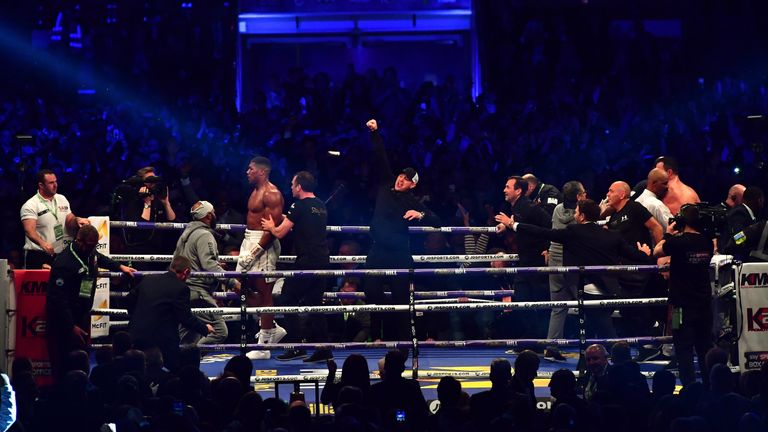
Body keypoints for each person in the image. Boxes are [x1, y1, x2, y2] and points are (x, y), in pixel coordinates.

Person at [509, 199, 652, 338]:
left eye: (576, 212)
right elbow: (631, 253)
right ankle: (607, 355)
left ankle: (620, 357)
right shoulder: (611, 234)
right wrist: (643, 254)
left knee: (605, 331)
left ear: (582, 216)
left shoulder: (574, 232)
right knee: (601, 328)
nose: (574, 215)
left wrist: (514, 225)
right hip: (611, 288)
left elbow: (543, 232)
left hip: (588, 288)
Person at [364, 119, 440, 342]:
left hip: (399, 254)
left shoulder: (412, 201)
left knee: (401, 299)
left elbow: (437, 220)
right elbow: (381, 157)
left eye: (407, 179)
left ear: (412, 185)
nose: (401, 180)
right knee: (372, 293)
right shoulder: (386, 185)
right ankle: (377, 336)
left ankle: (403, 339)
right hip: (378, 251)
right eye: (401, 175)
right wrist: (376, 133)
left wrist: (421, 215)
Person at [46, 225, 135, 381]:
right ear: (79, 240)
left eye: (94, 245)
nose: (92, 248)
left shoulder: (89, 252)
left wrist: (120, 266)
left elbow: (100, 258)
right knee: (64, 363)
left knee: (81, 359)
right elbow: (58, 299)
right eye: (90, 245)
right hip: (65, 321)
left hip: (82, 315)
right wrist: (70, 326)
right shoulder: (63, 263)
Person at [261, 170, 332, 362]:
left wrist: (270, 227)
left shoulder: (298, 205)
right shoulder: (320, 205)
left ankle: (296, 346)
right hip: (323, 260)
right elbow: (303, 221)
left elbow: (281, 232)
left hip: (307, 261)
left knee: (286, 299)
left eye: (293, 184)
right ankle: (324, 349)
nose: (291, 187)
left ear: (299, 186)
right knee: (315, 305)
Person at [653, 205, 715, 386]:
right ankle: (708, 387)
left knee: (683, 348)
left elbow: (657, 251)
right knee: (705, 348)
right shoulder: (706, 242)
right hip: (703, 305)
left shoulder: (677, 241)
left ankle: (689, 389)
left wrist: (667, 233)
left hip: (680, 307)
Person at [125, 255, 214, 372]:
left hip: (135, 334)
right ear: (186, 271)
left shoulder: (149, 279)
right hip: (161, 340)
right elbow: (185, 317)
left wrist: (139, 315)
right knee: (174, 368)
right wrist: (204, 328)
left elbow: (127, 301)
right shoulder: (181, 288)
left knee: (135, 371)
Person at [236, 156, 287, 360]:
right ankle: (271, 326)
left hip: (262, 245)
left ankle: (264, 346)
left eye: (250, 169)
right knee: (238, 284)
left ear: (262, 171)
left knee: (264, 291)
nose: (247, 172)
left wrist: (254, 252)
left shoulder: (272, 194)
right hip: (249, 239)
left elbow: (271, 230)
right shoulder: (255, 191)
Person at [172, 201, 239, 346]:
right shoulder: (204, 235)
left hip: (184, 291)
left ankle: (183, 364)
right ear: (209, 216)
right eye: (214, 212)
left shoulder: (186, 234)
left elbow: (179, 261)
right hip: (198, 292)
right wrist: (233, 282)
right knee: (220, 331)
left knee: (188, 337)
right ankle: (191, 357)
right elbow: (209, 265)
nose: (216, 215)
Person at [494, 176, 551, 340]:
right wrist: (507, 225)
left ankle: (538, 341)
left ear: (518, 190)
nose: (504, 190)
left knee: (537, 303)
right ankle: (532, 339)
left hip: (535, 261)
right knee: (522, 301)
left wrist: (547, 247)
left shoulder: (528, 206)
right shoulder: (519, 206)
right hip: (525, 261)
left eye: (508, 187)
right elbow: (522, 223)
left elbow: (548, 225)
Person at [544, 181, 586, 360]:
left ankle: (552, 347)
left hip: (554, 261)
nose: (586, 194)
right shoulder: (580, 216)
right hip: (571, 263)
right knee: (590, 305)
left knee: (558, 307)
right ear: (578, 196)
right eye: (583, 193)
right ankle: (599, 347)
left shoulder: (557, 210)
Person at [20, 169, 90, 269]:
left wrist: (78, 220)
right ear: (41, 185)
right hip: (38, 255)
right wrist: (42, 243)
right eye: (51, 183)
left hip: (59, 254)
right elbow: (29, 231)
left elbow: (69, 219)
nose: (55, 185)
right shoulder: (31, 205)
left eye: (56, 181)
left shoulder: (62, 199)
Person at [367, 350, 428, 431]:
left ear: (385, 368)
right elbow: (423, 414)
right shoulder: (413, 386)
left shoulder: (375, 390)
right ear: (402, 368)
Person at [635, 168, 674, 232]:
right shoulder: (656, 205)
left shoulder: (637, 201)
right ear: (653, 183)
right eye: (664, 183)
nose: (667, 187)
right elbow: (673, 228)